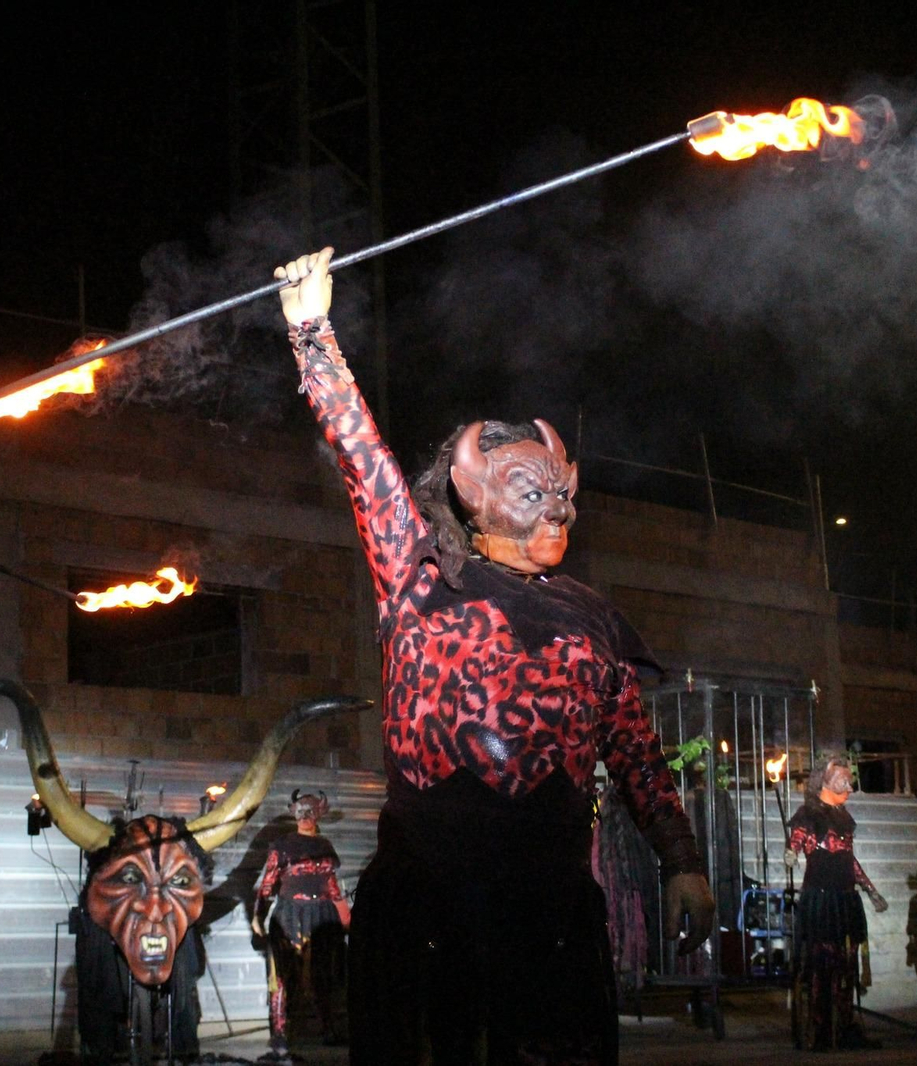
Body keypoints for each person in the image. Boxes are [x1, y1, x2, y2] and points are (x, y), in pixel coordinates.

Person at [275, 247, 713, 1065]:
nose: (555, 506)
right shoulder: (419, 575)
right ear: (475, 498)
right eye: (531, 490)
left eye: (561, 492)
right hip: (426, 912)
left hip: (549, 916)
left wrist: (682, 862)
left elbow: (639, 759)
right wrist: (312, 331)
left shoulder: (592, 618)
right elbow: (362, 461)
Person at [784, 754, 887, 1050]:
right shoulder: (809, 814)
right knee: (822, 967)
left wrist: (870, 889)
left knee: (846, 966)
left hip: (846, 899)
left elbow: (847, 857)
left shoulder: (843, 816)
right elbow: (798, 840)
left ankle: (845, 1029)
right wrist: (790, 853)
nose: (850, 787)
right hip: (821, 900)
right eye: (844, 780)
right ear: (824, 781)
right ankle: (821, 1032)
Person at [251, 790, 351, 1057]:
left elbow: (331, 884)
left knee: (323, 975)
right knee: (282, 977)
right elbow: (268, 883)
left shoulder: (325, 845)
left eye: (310, 811)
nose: (305, 816)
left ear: (318, 813)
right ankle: (281, 1034)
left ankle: (329, 1029)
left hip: (321, 916)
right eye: (300, 811)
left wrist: (344, 915)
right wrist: (257, 916)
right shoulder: (282, 845)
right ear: (293, 813)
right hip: (289, 916)